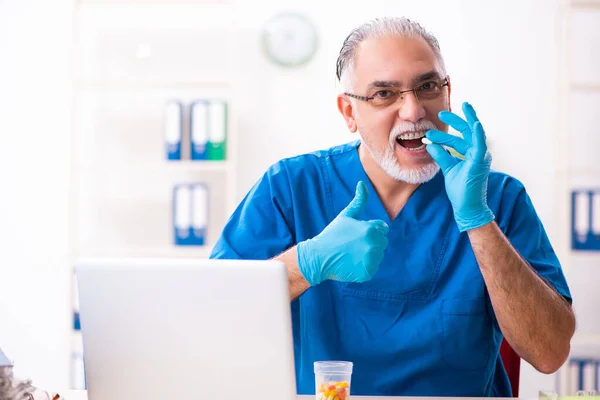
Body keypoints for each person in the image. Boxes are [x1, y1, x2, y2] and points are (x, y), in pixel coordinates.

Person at [210, 16, 575, 397]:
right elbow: (213, 315)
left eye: (428, 86)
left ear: (447, 92)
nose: (413, 111)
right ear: (349, 112)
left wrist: (479, 221)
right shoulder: (290, 188)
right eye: (384, 94)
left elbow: (549, 354)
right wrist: (305, 262)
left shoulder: (498, 198)